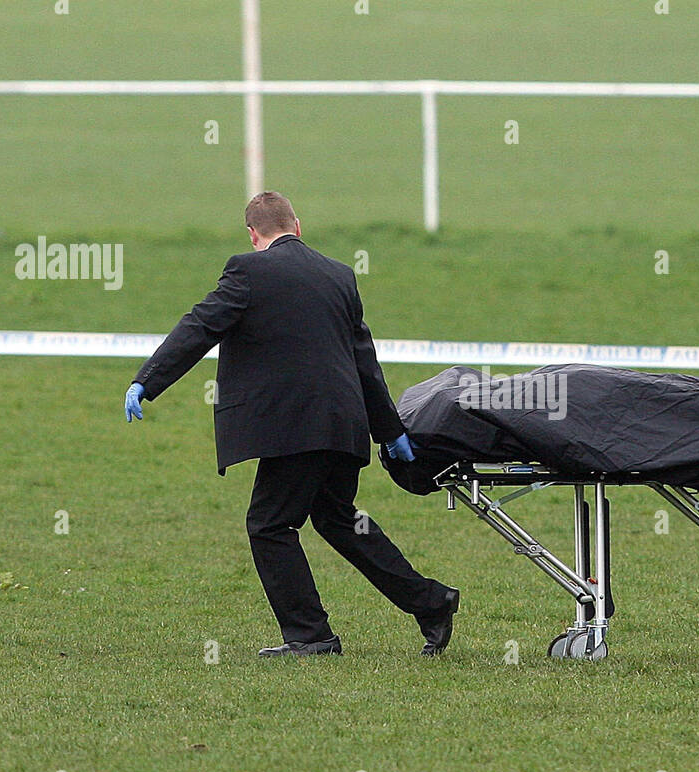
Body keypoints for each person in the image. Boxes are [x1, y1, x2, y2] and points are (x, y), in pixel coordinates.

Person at [124, 191, 459, 658]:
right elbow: (365, 361)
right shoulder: (339, 275)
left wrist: (146, 381)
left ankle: (310, 635)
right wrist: (390, 430)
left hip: (295, 428)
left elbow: (198, 328)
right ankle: (431, 602)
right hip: (344, 424)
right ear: (297, 226)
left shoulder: (246, 271)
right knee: (338, 518)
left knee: (269, 524)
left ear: (253, 234)